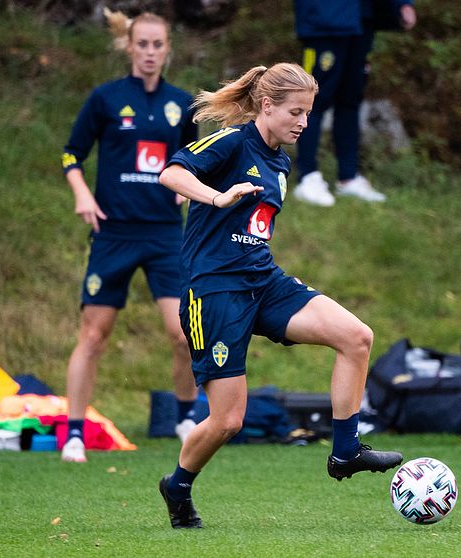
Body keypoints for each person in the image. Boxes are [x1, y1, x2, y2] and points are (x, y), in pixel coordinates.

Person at [156, 63, 403, 529]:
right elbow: (171, 173)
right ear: (266, 106)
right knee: (228, 421)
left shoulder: (280, 161)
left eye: (308, 114)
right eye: (296, 112)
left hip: (263, 281)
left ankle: (346, 451)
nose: (303, 123)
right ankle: (178, 485)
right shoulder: (232, 141)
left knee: (356, 337)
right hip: (215, 291)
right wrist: (216, 196)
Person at [59, 10, 200, 463]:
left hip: (164, 235)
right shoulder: (105, 98)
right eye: (142, 44)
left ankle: (185, 417)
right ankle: (75, 433)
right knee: (94, 335)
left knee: (182, 334)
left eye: (158, 45)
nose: (150, 53)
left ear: (168, 49)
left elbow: (193, 161)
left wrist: (188, 192)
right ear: (129, 47)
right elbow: (71, 155)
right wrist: (83, 193)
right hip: (113, 233)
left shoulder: (182, 103)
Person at [290, 0, 416, 206]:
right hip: (325, 18)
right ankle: (307, 176)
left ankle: (348, 178)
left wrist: (401, 3)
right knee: (312, 99)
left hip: (362, 17)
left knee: (350, 101)